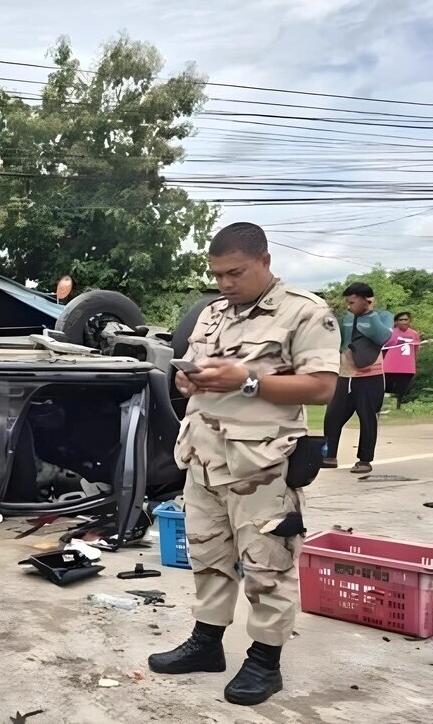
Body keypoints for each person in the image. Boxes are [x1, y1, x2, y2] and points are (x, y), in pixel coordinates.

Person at [149, 222, 339, 706]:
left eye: (235, 273)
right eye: (217, 275)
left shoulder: (304, 311)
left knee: (267, 565)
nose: (225, 284)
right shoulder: (212, 314)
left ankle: (264, 661)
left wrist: (245, 381)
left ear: (265, 261)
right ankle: (206, 643)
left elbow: (321, 386)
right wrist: (191, 383)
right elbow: (193, 372)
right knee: (208, 557)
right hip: (203, 457)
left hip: (262, 464)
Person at [322, 283, 393, 474]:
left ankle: (364, 460)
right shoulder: (346, 316)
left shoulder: (383, 316)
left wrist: (368, 313)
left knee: (368, 418)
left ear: (366, 300)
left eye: (352, 302)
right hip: (345, 374)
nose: (348, 306)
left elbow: (381, 337)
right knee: (332, 417)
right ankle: (328, 455)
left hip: (371, 376)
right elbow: (335, 337)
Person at [383, 312, 420, 410]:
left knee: (403, 390)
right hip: (390, 367)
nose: (403, 322)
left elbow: (415, 350)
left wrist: (413, 362)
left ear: (409, 321)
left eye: (406, 319)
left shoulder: (414, 334)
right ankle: (386, 408)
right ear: (396, 322)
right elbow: (384, 349)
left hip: (407, 368)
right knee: (387, 388)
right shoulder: (390, 333)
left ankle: (397, 408)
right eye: (401, 320)